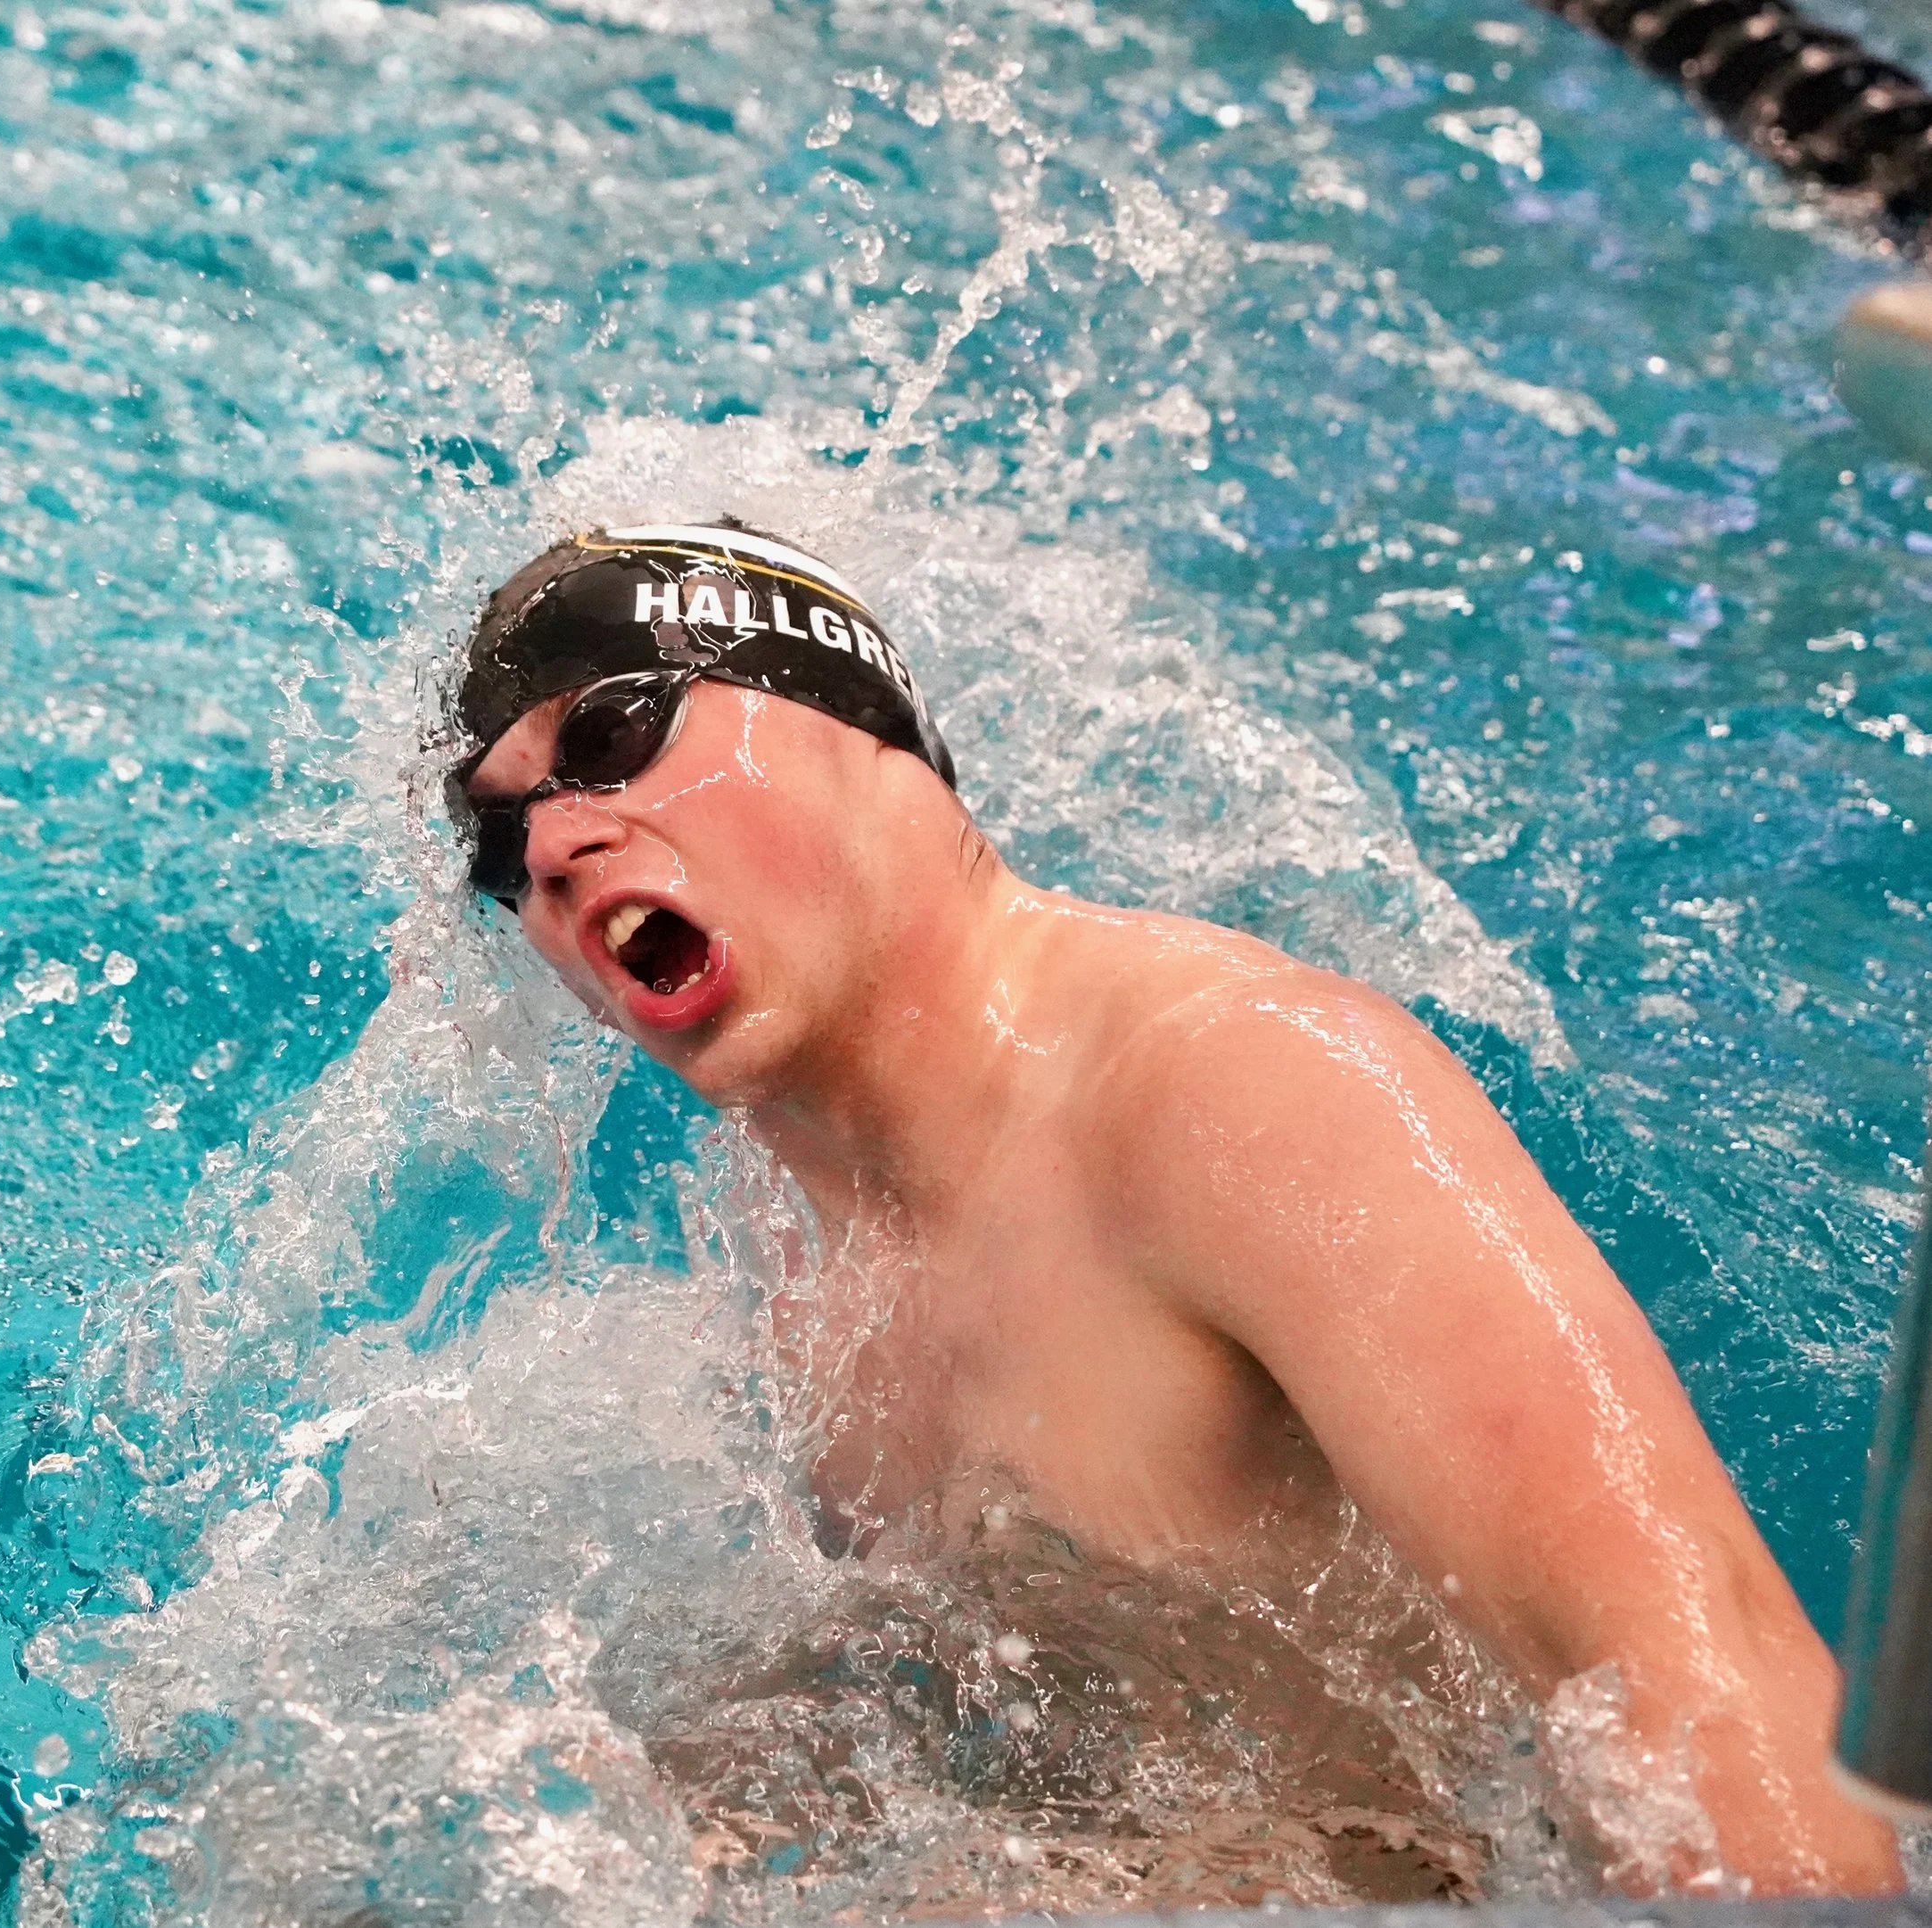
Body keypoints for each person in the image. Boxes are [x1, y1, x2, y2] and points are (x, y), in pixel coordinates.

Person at [437, 519, 1902, 1895]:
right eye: (506, 848)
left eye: (615, 738)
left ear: (853, 722)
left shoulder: (1237, 1088)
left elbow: (1701, 1681)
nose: (559, 851)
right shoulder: (785, 1238)